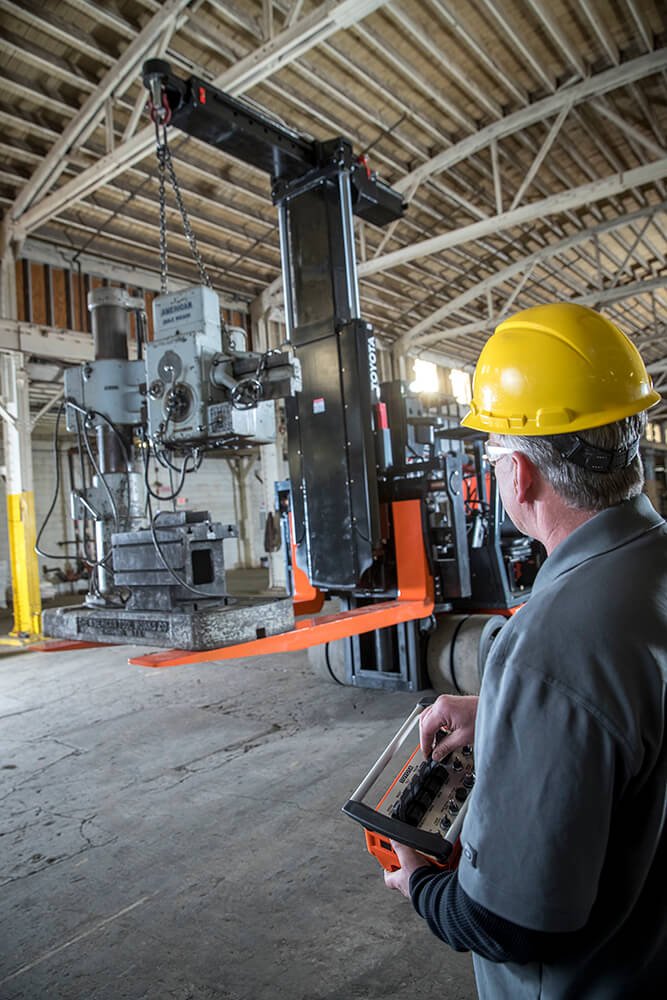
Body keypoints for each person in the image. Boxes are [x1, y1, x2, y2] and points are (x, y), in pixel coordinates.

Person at [383, 303, 667, 998]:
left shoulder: (547, 643)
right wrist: (513, 710)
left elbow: (512, 921)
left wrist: (419, 883)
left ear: (517, 475)